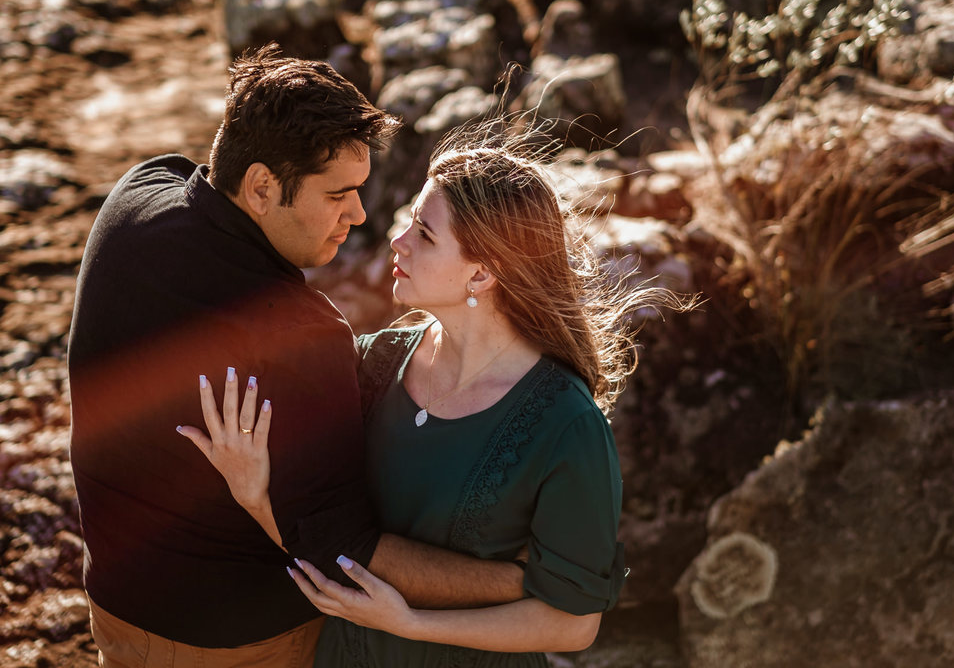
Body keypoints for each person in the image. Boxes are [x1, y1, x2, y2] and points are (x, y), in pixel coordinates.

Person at [67, 45, 526, 668]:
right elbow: (346, 551)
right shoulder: (302, 338)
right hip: (242, 645)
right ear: (261, 186)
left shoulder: (136, 196)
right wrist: (522, 585)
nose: (359, 215)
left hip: (117, 610)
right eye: (338, 194)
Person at [181, 134, 673, 666]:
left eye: (425, 234)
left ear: (481, 274)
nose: (398, 242)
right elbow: (329, 540)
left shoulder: (566, 425)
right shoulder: (372, 363)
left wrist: (412, 623)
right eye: (409, 222)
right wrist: (256, 494)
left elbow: (572, 623)